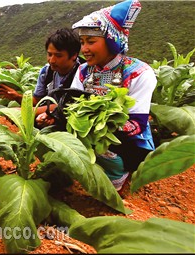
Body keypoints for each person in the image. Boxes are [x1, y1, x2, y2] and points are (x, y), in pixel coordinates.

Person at [70, 0, 156, 192]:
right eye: (82, 42)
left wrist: (99, 127)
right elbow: (73, 102)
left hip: (126, 142)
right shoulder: (83, 71)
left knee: (106, 148)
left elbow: (137, 123)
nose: (84, 49)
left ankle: (121, 174)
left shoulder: (139, 72)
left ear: (112, 40)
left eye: (91, 42)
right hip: (89, 133)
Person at [0, 28, 83, 128]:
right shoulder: (46, 72)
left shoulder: (84, 72)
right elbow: (37, 101)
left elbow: (68, 105)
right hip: (47, 118)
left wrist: (28, 111)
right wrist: (17, 96)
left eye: (58, 56)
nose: (52, 60)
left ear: (74, 55)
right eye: (49, 54)